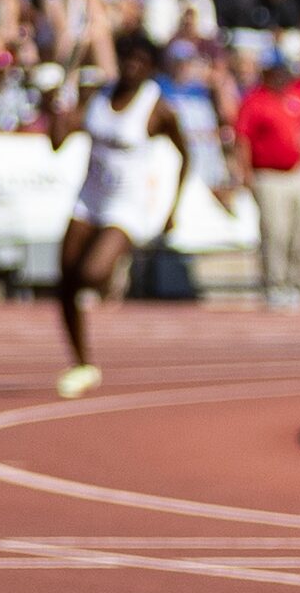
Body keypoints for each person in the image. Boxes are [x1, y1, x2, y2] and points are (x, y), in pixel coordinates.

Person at [46, 32, 191, 397]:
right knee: (64, 280)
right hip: (90, 196)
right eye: (127, 59)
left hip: (128, 203)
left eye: (141, 61)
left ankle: (114, 273)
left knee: (91, 273)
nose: (132, 66)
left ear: (151, 68)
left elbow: (187, 155)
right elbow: (58, 140)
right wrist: (56, 109)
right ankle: (82, 363)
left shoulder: (157, 108)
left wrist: (174, 205)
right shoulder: (98, 96)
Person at [235, 49, 300, 306]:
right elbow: (243, 139)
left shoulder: (294, 98)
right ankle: (275, 284)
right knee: (276, 233)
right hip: (269, 175)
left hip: (297, 173)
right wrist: (245, 173)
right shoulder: (255, 101)